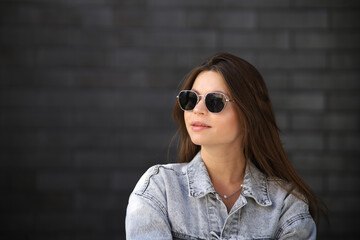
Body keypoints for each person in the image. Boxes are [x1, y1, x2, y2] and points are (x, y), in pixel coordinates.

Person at [126, 52, 324, 239]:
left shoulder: (287, 204)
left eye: (215, 101)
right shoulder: (160, 189)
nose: (198, 110)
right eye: (191, 99)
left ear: (248, 115)